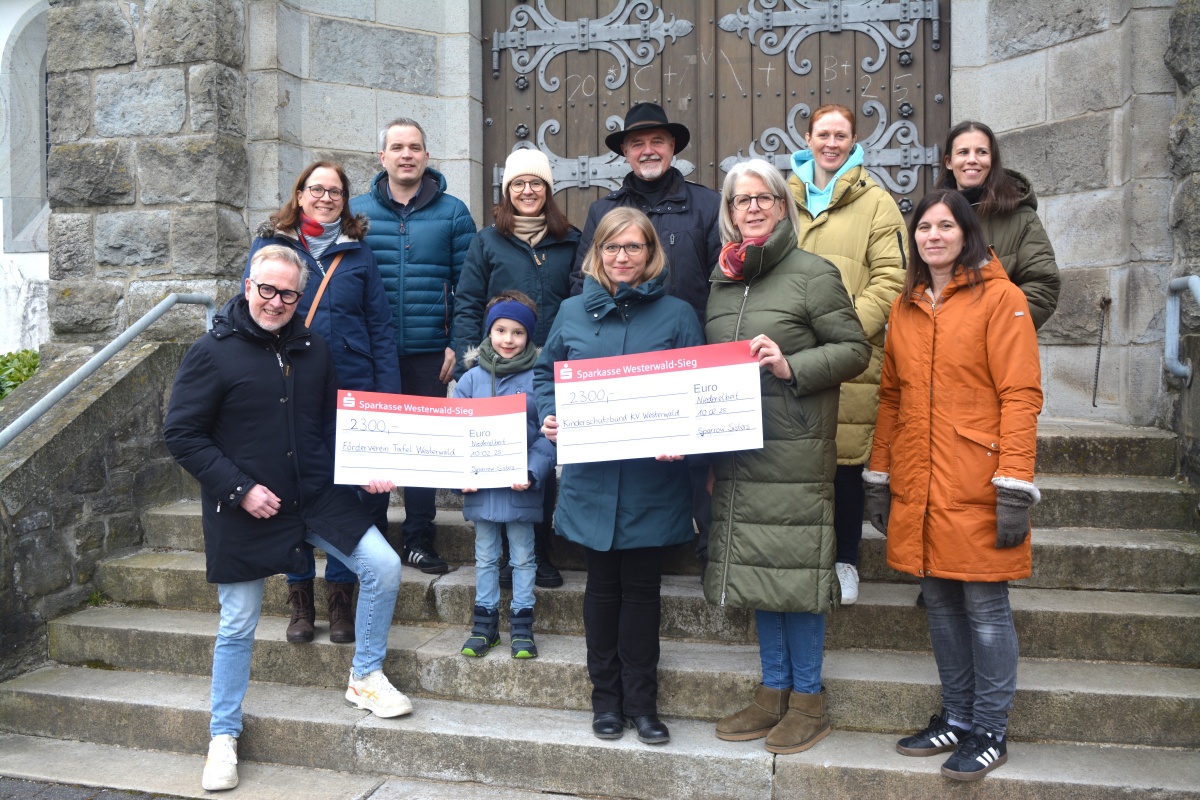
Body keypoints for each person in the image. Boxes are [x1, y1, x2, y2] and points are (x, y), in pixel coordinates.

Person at [164, 246, 410, 792]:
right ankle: (223, 735)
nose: (276, 302)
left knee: (383, 566)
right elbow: (182, 434)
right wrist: (239, 487)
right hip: (246, 506)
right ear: (248, 285)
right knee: (238, 622)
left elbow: (329, 425)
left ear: (301, 297)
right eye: (267, 290)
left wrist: (364, 470)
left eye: (289, 294)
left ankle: (365, 676)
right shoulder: (212, 351)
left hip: (315, 497)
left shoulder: (313, 348)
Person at [865, 188, 1042, 782]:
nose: (933, 236)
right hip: (921, 474)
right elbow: (892, 397)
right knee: (939, 602)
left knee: (985, 606)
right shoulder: (905, 306)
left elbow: (1021, 394)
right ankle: (958, 717)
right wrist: (880, 473)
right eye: (923, 228)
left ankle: (991, 729)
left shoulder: (1003, 299)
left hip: (977, 477)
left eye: (945, 226)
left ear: (967, 232)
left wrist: (1015, 482)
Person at [705, 159, 870, 754]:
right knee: (758, 572)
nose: (751, 208)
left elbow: (854, 350)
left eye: (763, 198)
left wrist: (791, 365)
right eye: (739, 200)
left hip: (795, 446)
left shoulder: (812, 273)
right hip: (741, 448)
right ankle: (773, 691)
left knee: (797, 572)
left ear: (783, 206)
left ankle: (809, 699)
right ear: (728, 212)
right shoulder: (723, 281)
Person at [535, 208, 704, 746]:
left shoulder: (677, 314)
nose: (622, 257)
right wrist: (549, 413)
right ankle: (605, 702)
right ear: (598, 254)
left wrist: (685, 435)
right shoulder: (570, 311)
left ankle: (644, 705)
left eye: (633, 247)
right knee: (602, 592)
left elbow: (696, 389)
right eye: (612, 248)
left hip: (653, 483)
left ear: (651, 252)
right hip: (592, 480)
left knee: (643, 594)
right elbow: (545, 374)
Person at [244, 160, 401, 645]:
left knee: (347, 495)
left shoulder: (359, 254)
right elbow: (254, 316)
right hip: (287, 386)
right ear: (300, 192)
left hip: (352, 392)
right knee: (291, 489)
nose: (326, 198)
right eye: (317, 189)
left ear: (345, 199)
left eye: (335, 191)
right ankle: (300, 603)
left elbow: (379, 329)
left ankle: (340, 604)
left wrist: (388, 401)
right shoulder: (272, 247)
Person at [572, 101, 722, 572]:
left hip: (688, 346)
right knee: (633, 459)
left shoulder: (708, 204)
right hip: (621, 353)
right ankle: (635, 544)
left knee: (697, 455)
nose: (648, 150)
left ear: (673, 146)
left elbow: (725, 277)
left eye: (657, 141)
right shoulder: (604, 209)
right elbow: (583, 282)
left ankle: (708, 548)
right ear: (626, 153)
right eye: (638, 143)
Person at [787, 103, 906, 605]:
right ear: (808, 138)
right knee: (792, 461)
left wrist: (841, 331)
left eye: (841, 135)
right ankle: (799, 557)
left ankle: (847, 559)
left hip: (850, 356)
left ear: (854, 140)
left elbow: (891, 278)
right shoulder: (780, 197)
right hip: (786, 352)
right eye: (823, 134)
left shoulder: (876, 203)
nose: (831, 143)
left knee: (845, 463)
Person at [350, 117, 477, 575]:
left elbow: (468, 285)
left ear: (426, 156)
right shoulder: (357, 211)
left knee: (423, 452)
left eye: (415, 147)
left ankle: (421, 538)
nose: (407, 154)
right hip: (372, 352)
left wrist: (458, 346)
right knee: (378, 448)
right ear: (381, 157)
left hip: (431, 353)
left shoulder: (454, 212)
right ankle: (375, 538)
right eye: (398, 147)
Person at [453, 148, 579, 589]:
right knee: (497, 456)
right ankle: (503, 553)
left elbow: (579, 300)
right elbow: (468, 301)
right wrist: (464, 359)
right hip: (498, 369)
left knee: (539, 456)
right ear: (507, 191)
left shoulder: (570, 241)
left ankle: (538, 551)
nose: (528, 191)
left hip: (549, 367)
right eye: (518, 184)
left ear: (549, 190)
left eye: (537, 183)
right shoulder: (487, 241)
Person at [454, 291, 557, 659]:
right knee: (484, 559)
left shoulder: (539, 380)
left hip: (521, 489)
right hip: (481, 491)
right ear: (489, 331)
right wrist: (460, 475)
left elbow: (547, 439)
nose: (508, 339)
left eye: (517, 332)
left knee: (524, 558)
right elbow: (453, 435)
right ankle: (484, 626)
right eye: (501, 330)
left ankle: (522, 624)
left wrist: (532, 471)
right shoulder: (469, 381)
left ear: (529, 336)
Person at [937, 120, 1061, 330]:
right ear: (949, 162)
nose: (972, 160)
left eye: (982, 152)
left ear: (992, 160)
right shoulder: (933, 216)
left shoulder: (1021, 216)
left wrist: (992, 327)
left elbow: (1042, 287)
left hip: (998, 347)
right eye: (963, 152)